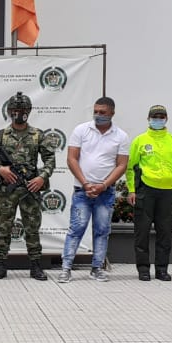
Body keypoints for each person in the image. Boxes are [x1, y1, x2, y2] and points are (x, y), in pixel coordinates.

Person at [0, 92, 55, 280]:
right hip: (6, 190)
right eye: (15, 109)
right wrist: (0, 169)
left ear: (29, 111)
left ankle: (36, 265)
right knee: (4, 227)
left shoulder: (38, 135)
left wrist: (42, 177)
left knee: (32, 228)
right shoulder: (1, 136)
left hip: (30, 188)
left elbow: (50, 159)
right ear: (9, 111)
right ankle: (0, 264)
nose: (19, 113)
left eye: (23, 109)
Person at [60, 96, 129, 282]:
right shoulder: (81, 130)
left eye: (102, 112)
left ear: (112, 113)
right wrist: (85, 183)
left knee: (102, 230)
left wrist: (103, 185)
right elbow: (72, 158)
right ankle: (66, 268)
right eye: (96, 112)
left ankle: (97, 268)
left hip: (106, 192)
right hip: (82, 190)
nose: (98, 115)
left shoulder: (121, 136)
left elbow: (122, 165)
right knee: (76, 229)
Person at [125, 104, 172, 282]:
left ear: (166, 119)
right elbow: (130, 168)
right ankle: (143, 269)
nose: (158, 120)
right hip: (145, 190)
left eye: (161, 117)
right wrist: (132, 190)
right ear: (148, 119)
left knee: (165, 232)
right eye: (154, 117)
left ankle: (162, 269)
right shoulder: (140, 140)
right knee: (142, 232)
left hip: (168, 191)